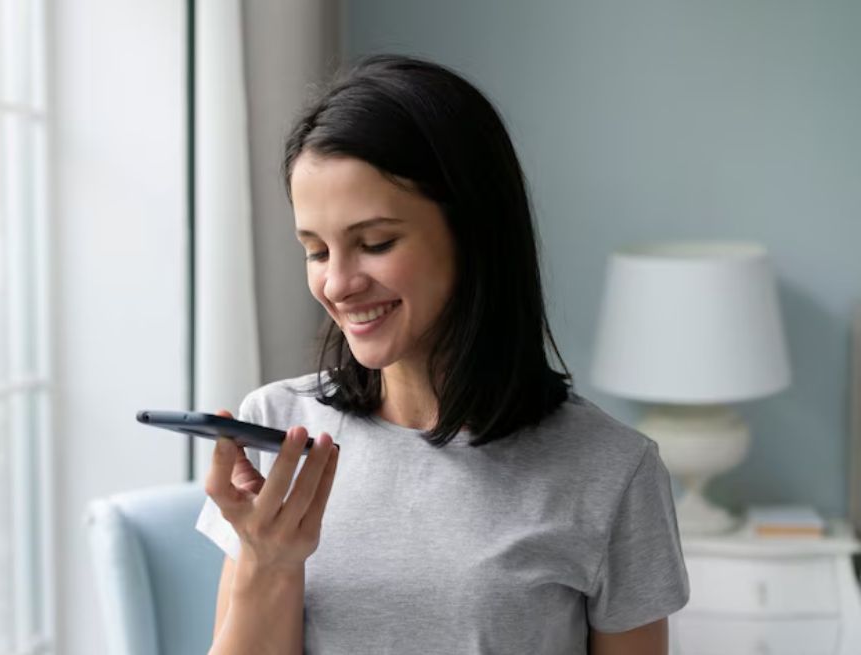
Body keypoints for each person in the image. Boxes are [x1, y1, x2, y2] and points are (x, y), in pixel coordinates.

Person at [197, 54, 689, 655]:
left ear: (474, 232)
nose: (338, 283)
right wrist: (267, 561)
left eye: (375, 243)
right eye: (317, 251)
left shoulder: (610, 470)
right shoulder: (277, 429)